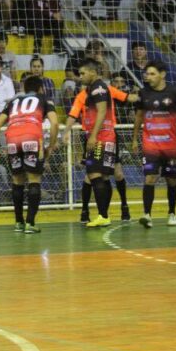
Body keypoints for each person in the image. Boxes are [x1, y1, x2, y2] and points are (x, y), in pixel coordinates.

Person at [132, 60, 176, 228]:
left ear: (162, 75)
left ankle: (172, 213)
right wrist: (134, 139)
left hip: (170, 146)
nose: (149, 77)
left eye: (153, 73)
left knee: (172, 181)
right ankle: (147, 215)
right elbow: (139, 116)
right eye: (147, 74)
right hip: (150, 145)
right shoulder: (143, 93)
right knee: (149, 178)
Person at [0, 75, 58, 233]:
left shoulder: (13, 102)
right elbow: (54, 123)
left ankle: (18, 222)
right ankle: (30, 223)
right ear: (41, 89)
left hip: (12, 140)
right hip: (32, 138)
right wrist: (51, 146)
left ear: (24, 89)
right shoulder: (45, 99)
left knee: (17, 180)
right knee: (34, 179)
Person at [65, 81, 138, 223]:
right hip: (91, 136)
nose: (82, 79)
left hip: (109, 135)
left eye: (83, 75)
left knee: (116, 173)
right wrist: (66, 131)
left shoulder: (107, 89)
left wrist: (144, 95)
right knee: (91, 175)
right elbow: (73, 114)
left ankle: (123, 206)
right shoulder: (81, 96)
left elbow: (127, 97)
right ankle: (87, 211)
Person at [71, 58, 117, 227]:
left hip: (101, 138)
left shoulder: (98, 88)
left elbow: (103, 111)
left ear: (93, 72)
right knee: (103, 177)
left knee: (94, 174)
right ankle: (103, 215)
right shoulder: (94, 89)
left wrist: (93, 136)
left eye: (83, 73)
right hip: (105, 137)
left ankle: (103, 215)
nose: (80, 76)